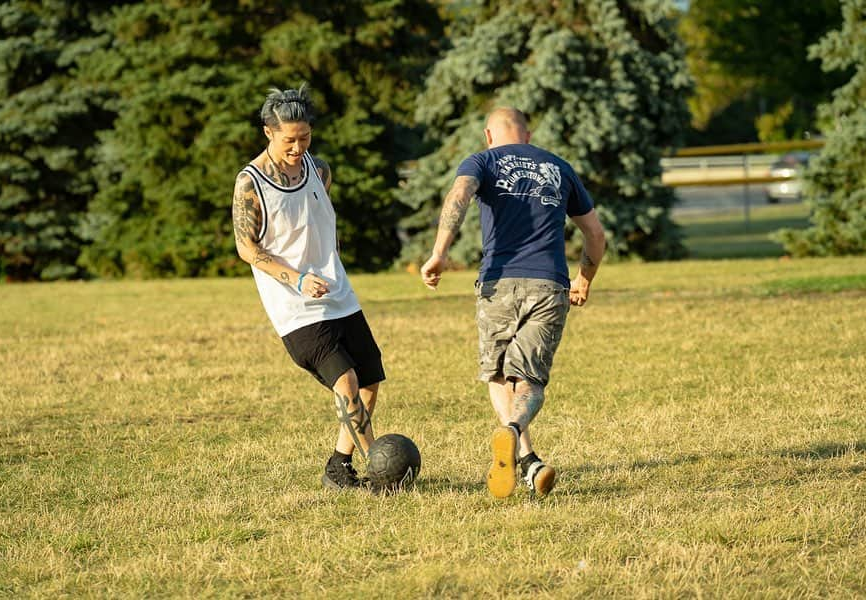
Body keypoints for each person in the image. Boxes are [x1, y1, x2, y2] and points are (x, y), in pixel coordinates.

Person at [420, 107, 605, 498]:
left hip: (497, 283)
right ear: (528, 133)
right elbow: (594, 234)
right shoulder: (558, 167)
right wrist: (583, 280)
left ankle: (519, 447)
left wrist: (439, 252)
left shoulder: (482, 160)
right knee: (531, 381)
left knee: (498, 375)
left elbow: (459, 196)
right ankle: (524, 450)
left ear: (489, 135)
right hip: (550, 285)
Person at [231, 85, 385, 490]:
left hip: (338, 294)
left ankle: (338, 466)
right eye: (289, 140)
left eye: (305, 138)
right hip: (295, 308)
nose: (298, 147)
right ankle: (382, 467)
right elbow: (246, 248)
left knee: (370, 380)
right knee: (346, 381)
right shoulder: (251, 183)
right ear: (268, 133)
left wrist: (330, 265)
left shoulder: (320, 170)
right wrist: (296, 277)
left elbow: (320, 222)